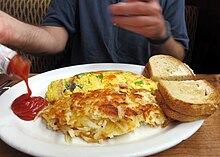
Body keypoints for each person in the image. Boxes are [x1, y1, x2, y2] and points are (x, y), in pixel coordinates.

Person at [0, 0, 189, 67]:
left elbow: (178, 56)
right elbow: (54, 38)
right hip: (79, 90)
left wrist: (160, 35)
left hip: (144, 90)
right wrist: (11, 29)